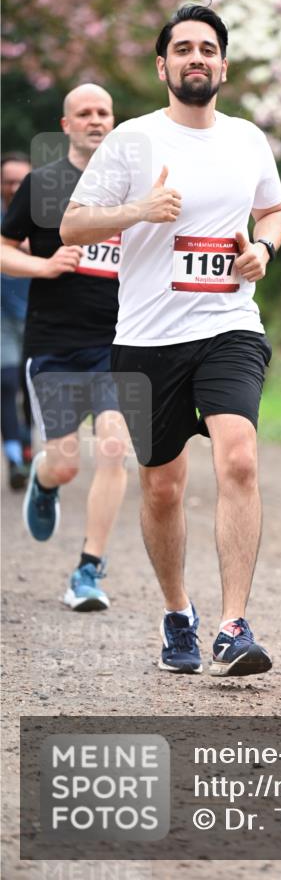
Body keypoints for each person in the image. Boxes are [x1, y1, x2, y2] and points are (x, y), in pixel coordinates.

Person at [60, 4, 281, 677]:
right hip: (147, 338)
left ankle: (233, 624)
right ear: (163, 66)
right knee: (161, 488)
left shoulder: (247, 138)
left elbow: (273, 208)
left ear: (223, 65)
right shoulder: (132, 139)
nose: (196, 58)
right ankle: (177, 613)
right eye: (183, 48)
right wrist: (137, 210)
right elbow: (71, 225)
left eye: (207, 48)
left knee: (239, 458)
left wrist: (264, 251)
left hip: (228, 325)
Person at [0, 85, 130, 612]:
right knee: (65, 463)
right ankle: (45, 482)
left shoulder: (133, 188)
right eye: (85, 113)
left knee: (116, 447)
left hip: (117, 341)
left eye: (103, 112)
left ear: (114, 122)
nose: (95, 120)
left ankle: (87, 570)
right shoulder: (43, 184)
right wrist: (44, 266)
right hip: (54, 344)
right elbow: (5, 249)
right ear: (67, 124)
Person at [1, 152, 33, 490]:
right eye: (7, 180)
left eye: (21, 180)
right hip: (1, 319)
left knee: (30, 389)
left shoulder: (46, 216)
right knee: (7, 383)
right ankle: (14, 460)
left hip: (37, 316)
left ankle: (26, 446)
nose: (14, 187)